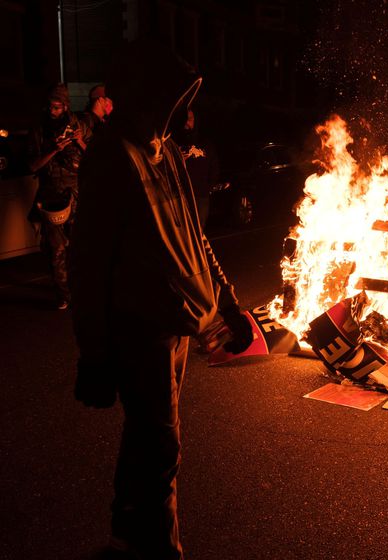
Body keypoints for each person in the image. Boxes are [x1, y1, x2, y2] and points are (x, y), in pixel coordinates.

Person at [69, 40, 253, 560]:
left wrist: (227, 302)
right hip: (138, 326)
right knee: (160, 442)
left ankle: (128, 538)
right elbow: (87, 264)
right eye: (171, 97)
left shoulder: (166, 150)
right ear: (146, 94)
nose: (180, 110)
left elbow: (195, 236)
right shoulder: (112, 157)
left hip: (176, 324)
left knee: (150, 441)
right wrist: (95, 353)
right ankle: (158, 550)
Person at [28, 83, 91, 309]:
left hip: (76, 194)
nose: (52, 111)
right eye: (49, 107)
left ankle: (81, 290)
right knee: (56, 250)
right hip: (51, 195)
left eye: (56, 107)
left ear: (65, 106)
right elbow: (33, 166)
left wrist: (80, 141)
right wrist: (54, 149)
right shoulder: (39, 130)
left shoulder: (80, 125)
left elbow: (95, 159)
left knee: (80, 247)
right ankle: (64, 294)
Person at [173, 108, 218, 228]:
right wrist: (178, 160)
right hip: (180, 196)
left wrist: (208, 186)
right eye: (184, 120)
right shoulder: (174, 143)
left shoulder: (205, 143)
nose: (187, 123)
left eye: (190, 119)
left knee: (198, 229)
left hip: (200, 196)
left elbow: (213, 166)